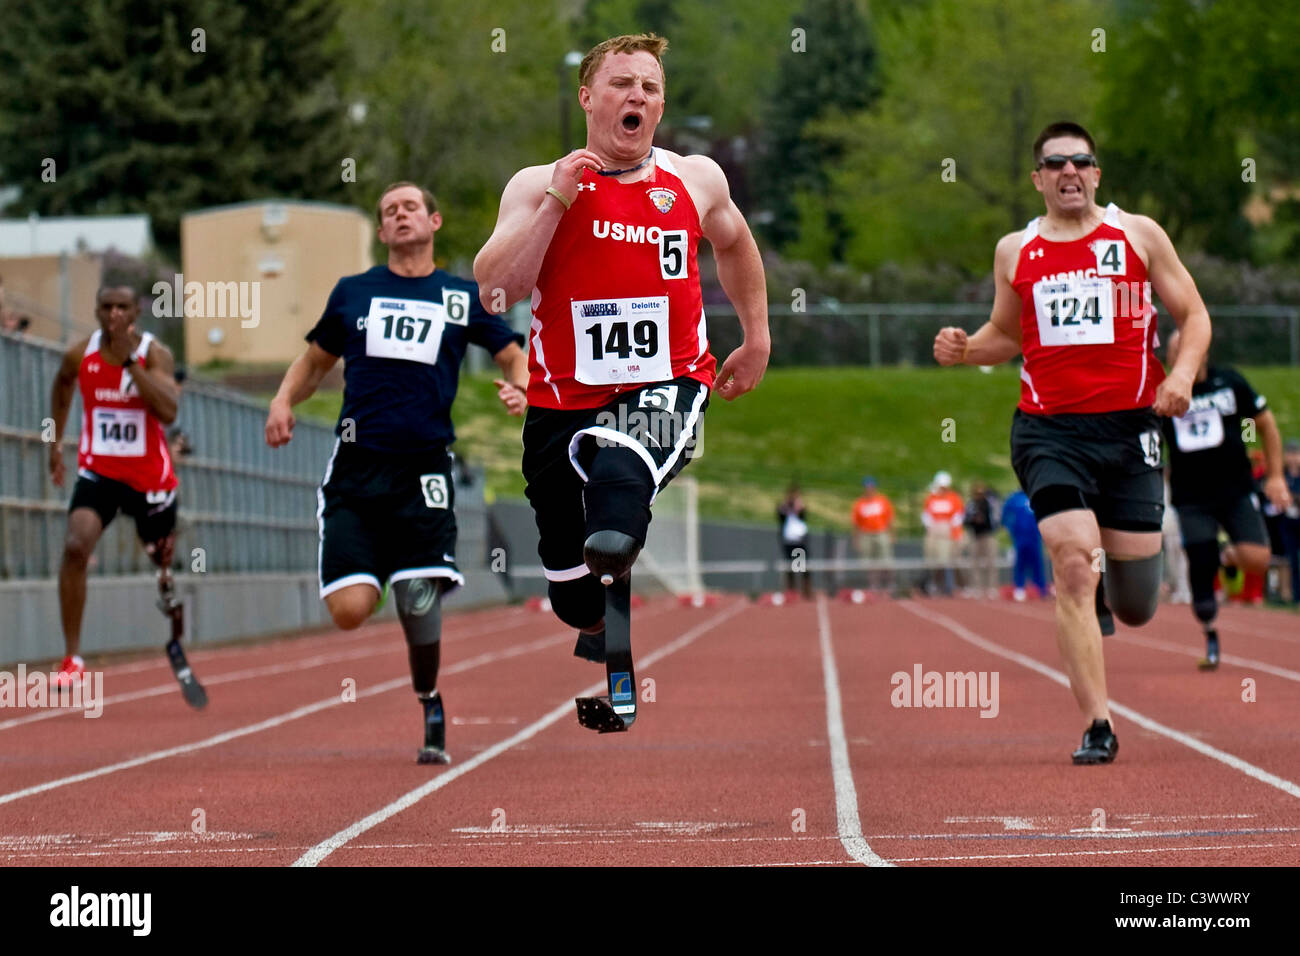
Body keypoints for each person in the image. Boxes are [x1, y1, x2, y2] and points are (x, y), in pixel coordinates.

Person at [473, 32, 769, 732]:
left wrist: (756, 337)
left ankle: (618, 584)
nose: (637, 96)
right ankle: (600, 619)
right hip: (560, 398)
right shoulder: (534, 183)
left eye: (650, 87)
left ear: (661, 105)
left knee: (618, 481)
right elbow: (494, 290)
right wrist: (556, 203)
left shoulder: (695, 179)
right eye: (621, 84)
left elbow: (735, 245)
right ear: (587, 97)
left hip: (668, 382)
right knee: (573, 592)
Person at [934, 121, 1213, 764]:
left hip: (1130, 429)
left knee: (1138, 604)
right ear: (1038, 178)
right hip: (1049, 430)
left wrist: (1180, 373)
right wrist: (967, 349)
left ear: (1096, 172)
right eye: (1055, 163)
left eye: (1080, 162)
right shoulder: (1016, 250)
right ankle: (1098, 725)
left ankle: (1111, 596)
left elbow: (1193, 315)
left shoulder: (1137, 235)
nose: (1069, 172)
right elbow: (1007, 335)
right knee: (1072, 563)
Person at [265, 181, 528, 764]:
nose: (400, 215)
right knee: (350, 611)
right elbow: (314, 362)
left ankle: (429, 698)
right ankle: (380, 562)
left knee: (415, 595)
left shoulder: (461, 296)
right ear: (382, 232)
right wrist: (284, 402)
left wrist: (522, 387)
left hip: (425, 469)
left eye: (410, 207)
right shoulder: (355, 293)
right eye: (389, 211)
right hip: (357, 470)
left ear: (433, 221)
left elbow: (511, 351)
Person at [47, 286, 205, 706]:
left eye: (122, 307)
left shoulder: (156, 354)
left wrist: (130, 361)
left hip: (148, 477)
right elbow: (62, 387)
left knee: (159, 555)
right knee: (76, 545)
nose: (114, 313)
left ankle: (169, 593)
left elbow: (169, 410)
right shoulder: (79, 354)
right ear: (96, 311)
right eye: (106, 306)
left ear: (136, 312)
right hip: (99, 472)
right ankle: (72, 657)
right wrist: (52, 442)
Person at [1160, 332, 1293, 665]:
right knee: (1203, 590)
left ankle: (1222, 554)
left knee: (1258, 559)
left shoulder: (1229, 383)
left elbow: (1259, 423)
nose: (1179, 358)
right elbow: (1154, 440)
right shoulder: (1162, 394)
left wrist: (1273, 474)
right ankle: (1210, 634)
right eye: (1173, 352)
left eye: (1185, 350)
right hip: (1191, 496)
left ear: (1201, 353)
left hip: (1235, 489)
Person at [921, 471, 963, 596]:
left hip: (946, 531)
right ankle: (931, 585)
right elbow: (926, 515)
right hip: (934, 530)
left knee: (946, 560)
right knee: (931, 560)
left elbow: (958, 516)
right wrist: (931, 527)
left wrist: (953, 530)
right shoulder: (931, 498)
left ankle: (948, 586)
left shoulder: (954, 498)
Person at [1001, 489, 1047, 600]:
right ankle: (1019, 588)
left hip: (1035, 537)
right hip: (1020, 537)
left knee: (1038, 563)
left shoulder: (1037, 495)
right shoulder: (1014, 498)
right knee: (1020, 563)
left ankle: (1041, 589)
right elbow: (1005, 515)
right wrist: (1011, 529)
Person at [851, 476, 895, 592]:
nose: (869, 489)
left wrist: (892, 533)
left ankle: (889, 583)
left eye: (871, 487)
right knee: (868, 562)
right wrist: (856, 538)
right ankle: (873, 585)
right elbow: (856, 522)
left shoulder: (882, 500)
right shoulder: (860, 503)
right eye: (867, 487)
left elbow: (890, 518)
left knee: (886, 559)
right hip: (866, 534)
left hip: (881, 532)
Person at [964, 481, 1001, 597]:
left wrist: (988, 524)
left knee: (991, 562)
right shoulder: (971, 504)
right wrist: (973, 520)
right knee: (974, 562)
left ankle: (992, 587)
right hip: (975, 536)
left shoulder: (990, 504)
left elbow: (997, 518)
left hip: (988, 535)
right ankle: (976, 587)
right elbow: (965, 520)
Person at [778, 483, 813, 598]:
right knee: (790, 567)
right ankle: (791, 590)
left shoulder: (800, 506)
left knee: (802, 566)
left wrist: (798, 505)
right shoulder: (785, 507)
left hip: (799, 540)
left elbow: (802, 516)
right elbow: (780, 515)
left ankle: (806, 590)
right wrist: (787, 504)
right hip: (789, 540)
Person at [1279, 440, 1300, 604]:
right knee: (1289, 558)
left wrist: (1294, 498)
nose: (1292, 458)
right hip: (1287, 521)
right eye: (1290, 454)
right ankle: (1291, 595)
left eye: (1296, 454)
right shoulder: (1282, 475)